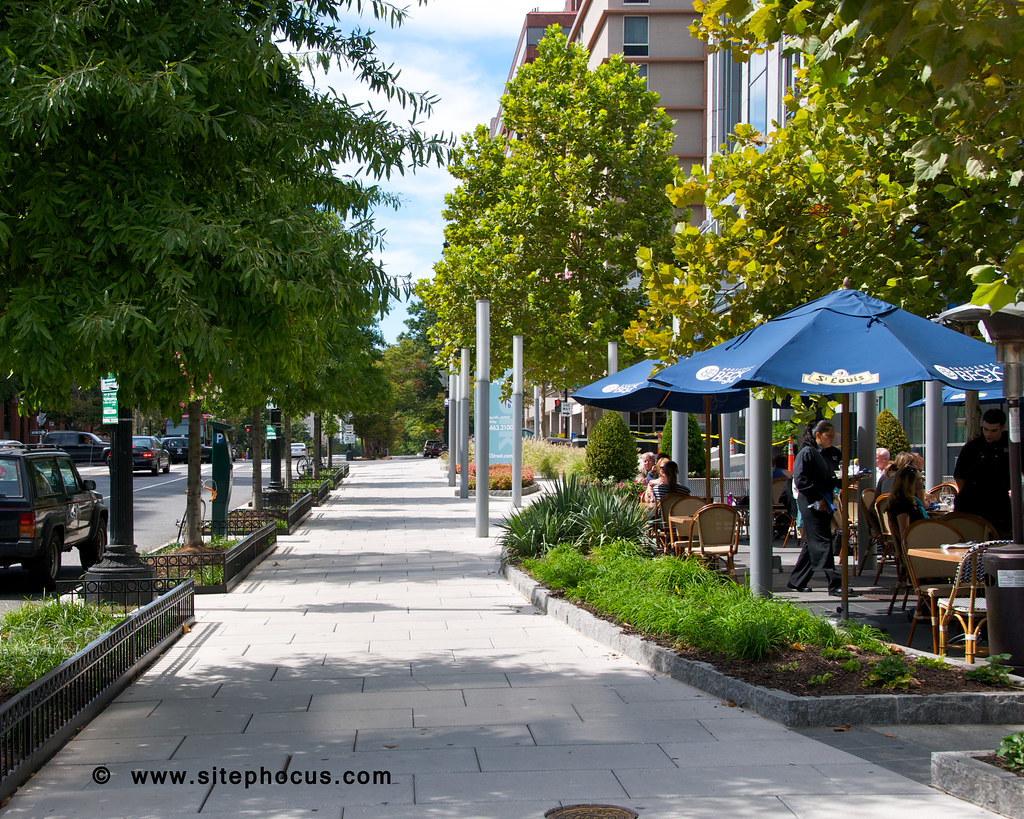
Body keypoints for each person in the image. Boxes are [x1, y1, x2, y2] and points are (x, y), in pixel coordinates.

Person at [787, 420, 843, 595]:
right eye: (829, 436)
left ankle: (796, 580)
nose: (832, 439)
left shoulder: (828, 454)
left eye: (833, 436)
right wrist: (818, 498)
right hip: (811, 502)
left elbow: (830, 478)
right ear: (818, 435)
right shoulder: (807, 453)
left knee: (814, 541)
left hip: (823, 500)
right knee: (822, 541)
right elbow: (801, 480)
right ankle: (834, 583)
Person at [954, 407, 1012, 536]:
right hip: (972, 502)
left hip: (1000, 503)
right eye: (985, 429)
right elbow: (959, 476)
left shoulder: (1011, 445)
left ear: (1003, 428)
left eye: (993, 430)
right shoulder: (973, 447)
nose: (988, 434)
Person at [886, 465, 928, 544]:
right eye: (920, 478)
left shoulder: (909, 501)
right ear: (911, 483)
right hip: (917, 546)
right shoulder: (902, 505)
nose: (923, 480)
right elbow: (905, 534)